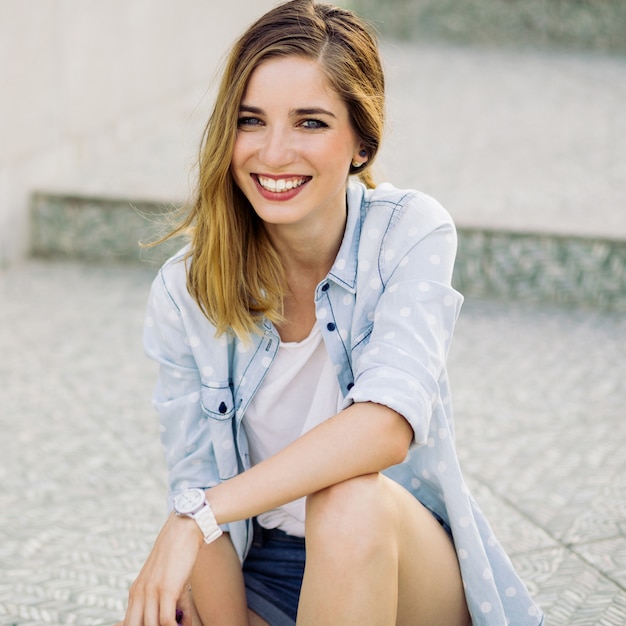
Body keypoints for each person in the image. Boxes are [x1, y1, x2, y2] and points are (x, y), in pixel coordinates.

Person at [118, 1, 544, 624]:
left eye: (310, 123)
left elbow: (385, 426)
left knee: (346, 497)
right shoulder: (188, 288)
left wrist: (202, 511)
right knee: (166, 605)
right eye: (251, 120)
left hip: (394, 555)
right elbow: (197, 481)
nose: (273, 152)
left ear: (361, 142)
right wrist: (200, 522)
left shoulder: (409, 232)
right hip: (261, 562)